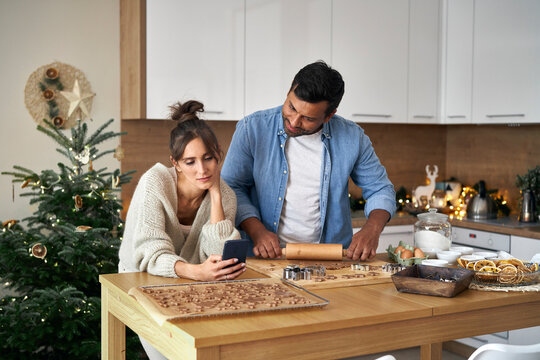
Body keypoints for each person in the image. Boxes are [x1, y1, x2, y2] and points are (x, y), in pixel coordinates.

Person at [221, 61, 396, 261]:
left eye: (308, 118)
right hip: (265, 258)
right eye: (291, 107)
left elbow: (380, 189)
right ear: (289, 91)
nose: (294, 122)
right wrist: (257, 230)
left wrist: (372, 230)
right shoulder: (252, 129)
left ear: (329, 116)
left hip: (330, 260)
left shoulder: (352, 137)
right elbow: (231, 187)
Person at [119, 100, 245, 360]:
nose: (202, 170)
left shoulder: (227, 196)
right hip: (140, 280)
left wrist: (217, 196)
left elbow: (216, 257)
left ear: (218, 153)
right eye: (190, 162)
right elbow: (150, 254)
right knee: (170, 355)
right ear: (175, 163)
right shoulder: (154, 183)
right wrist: (197, 271)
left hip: (192, 283)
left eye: (208, 158)